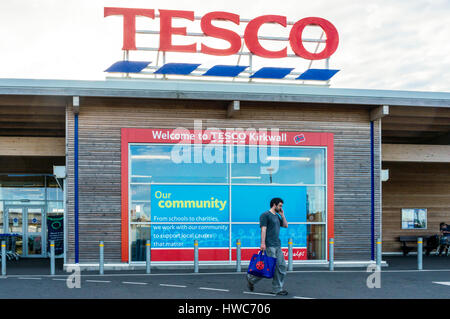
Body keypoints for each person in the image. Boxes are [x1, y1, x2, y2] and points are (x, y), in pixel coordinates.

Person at [246, 197, 289, 296]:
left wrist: (282, 215)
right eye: (280, 206)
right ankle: (251, 279)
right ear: (274, 204)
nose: (281, 207)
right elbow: (263, 229)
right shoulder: (265, 215)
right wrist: (262, 243)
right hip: (269, 245)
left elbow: (286, 225)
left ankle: (277, 288)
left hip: (277, 245)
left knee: (282, 266)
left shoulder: (277, 216)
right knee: (269, 268)